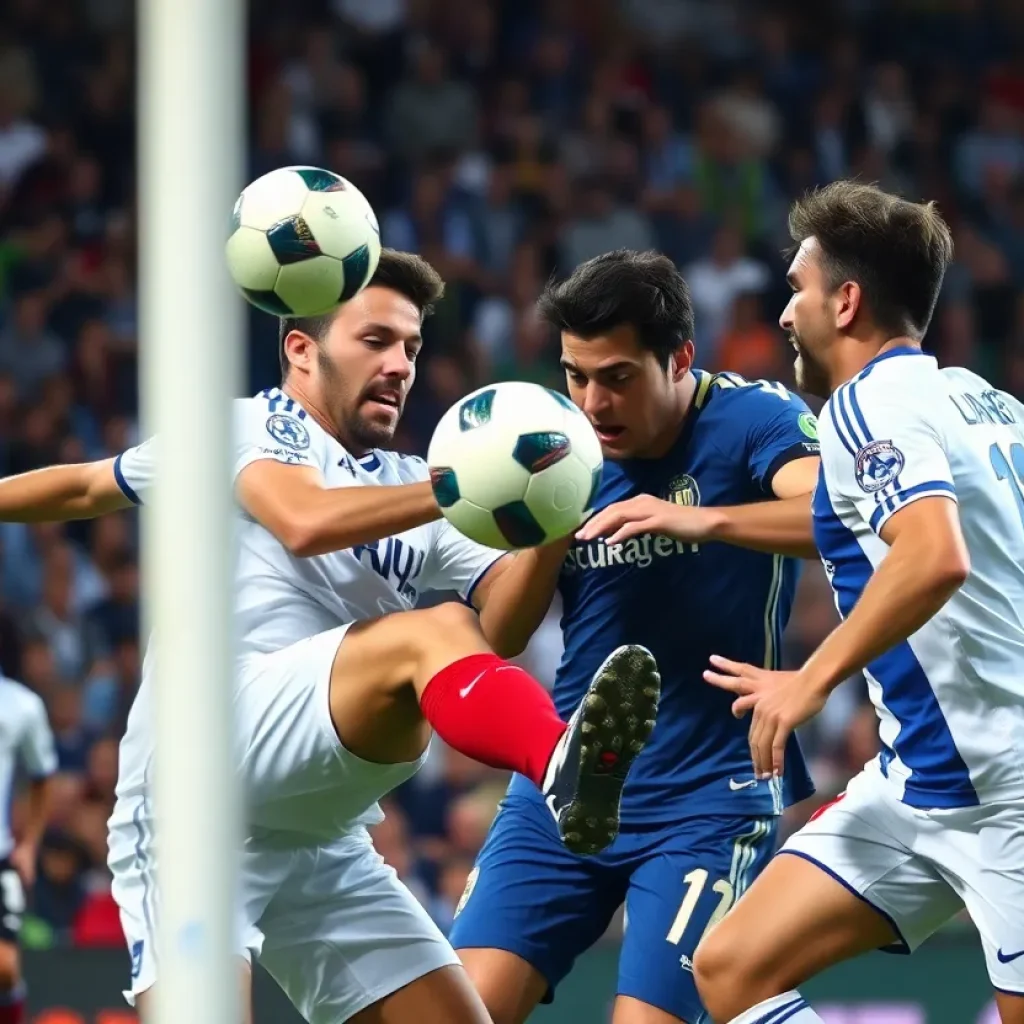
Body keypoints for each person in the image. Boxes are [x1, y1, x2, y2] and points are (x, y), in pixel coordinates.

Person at [0, 249, 661, 1024]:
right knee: (434, 629)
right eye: (376, 340)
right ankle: (561, 765)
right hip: (200, 785)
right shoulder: (249, 428)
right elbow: (287, 517)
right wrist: (463, 484)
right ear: (301, 350)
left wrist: (550, 518)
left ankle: (563, 767)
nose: (400, 365)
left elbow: (504, 628)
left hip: (319, 826)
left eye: (412, 347)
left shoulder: (411, 481)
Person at [449, 249, 822, 1024]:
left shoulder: (753, 418)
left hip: (708, 798)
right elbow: (502, 632)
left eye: (616, 377)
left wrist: (701, 520)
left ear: (679, 358)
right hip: (566, 785)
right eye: (576, 376)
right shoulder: (552, 444)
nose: (593, 402)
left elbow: (833, 517)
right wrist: (550, 522)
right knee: (460, 1014)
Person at [693, 181, 1024, 1024]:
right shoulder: (985, 402)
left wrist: (809, 681)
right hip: (919, 786)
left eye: (796, 290)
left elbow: (932, 555)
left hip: (1008, 790)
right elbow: (871, 530)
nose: (783, 315)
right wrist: (706, 519)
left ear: (845, 302)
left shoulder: (865, 403)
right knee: (731, 968)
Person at [0, 674, 57, 1024]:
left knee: (5, 967)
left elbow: (43, 775)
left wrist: (29, 846)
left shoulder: (22, 704)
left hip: (1, 855)